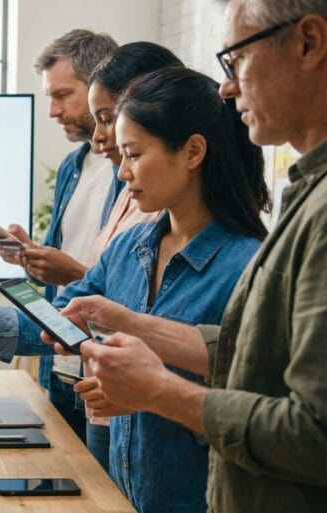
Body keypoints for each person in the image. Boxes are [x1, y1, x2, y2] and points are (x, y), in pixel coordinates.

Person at [0, 66, 271, 512]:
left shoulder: (251, 266)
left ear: (192, 151)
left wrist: (150, 391)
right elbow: (54, 328)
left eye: (134, 154)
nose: (123, 173)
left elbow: (255, 413)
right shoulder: (129, 247)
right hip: (123, 495)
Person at [65, 1, 327, 511]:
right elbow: (252, 354)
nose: (227, 87)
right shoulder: (308, 193)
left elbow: (314, 433)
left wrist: (159, 390)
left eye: (236, 60)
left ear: (309, 43)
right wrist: (130, 324)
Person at [0, 29, 120, 443]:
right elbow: (62, 270)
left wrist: (70, 272)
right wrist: (33, 256)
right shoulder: (72, 166)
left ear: (100, 86)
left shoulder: (131, 172)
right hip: (61, 363)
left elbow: (129, 287)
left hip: (104, 370)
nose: (52, 111)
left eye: (62, 95)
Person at [70, 41, 184, 472]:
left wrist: (148, 386)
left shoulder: (238, 258)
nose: (118, 165)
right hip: (116, 420)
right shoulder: (132, 234)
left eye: (133, 153)